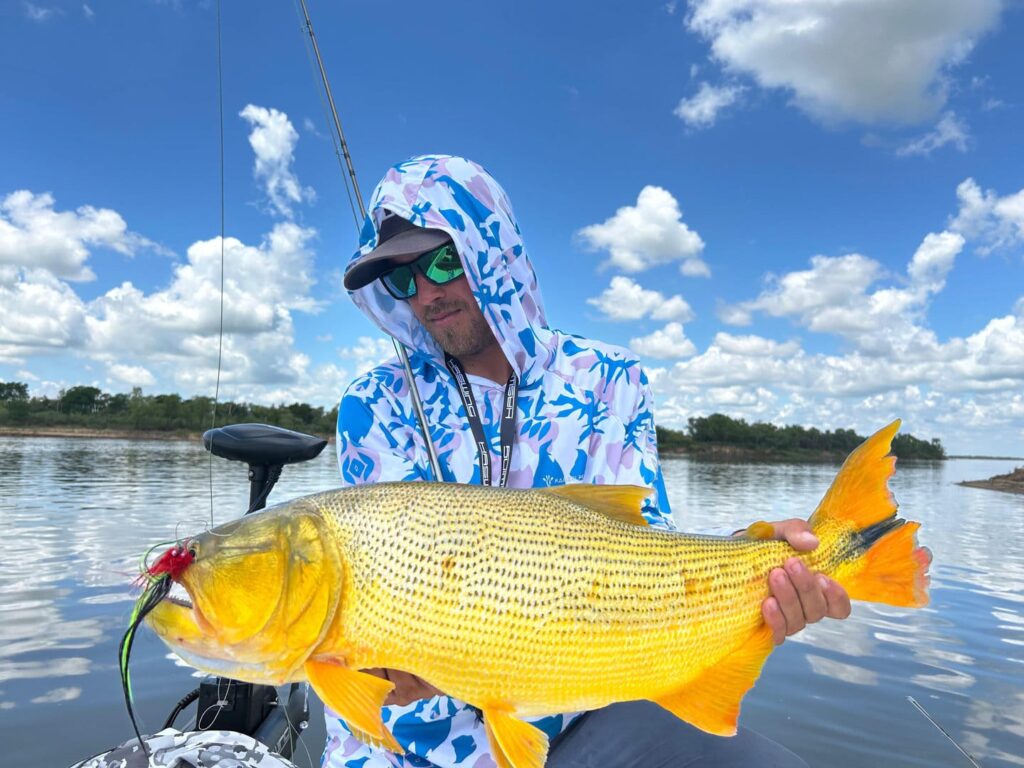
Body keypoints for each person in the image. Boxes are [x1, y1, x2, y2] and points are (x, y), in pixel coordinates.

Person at [328, 154, 851, 768]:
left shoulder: (608, 378)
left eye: (444, 262)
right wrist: (375, 667)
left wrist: (752, 565)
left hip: (582, 712)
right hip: (405, 745)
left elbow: (646, 550)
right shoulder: (375, 404)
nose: (426, 293)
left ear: (491, 250)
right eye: (401, 280)